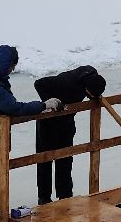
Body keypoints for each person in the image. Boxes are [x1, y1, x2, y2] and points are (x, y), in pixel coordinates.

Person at [0, 45, 63, 222]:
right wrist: (44, 105)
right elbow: (15, 108)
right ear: (6, 65)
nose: (12, 70)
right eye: (12, 67)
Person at [33, 64, 107, 204]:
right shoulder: (66, 83)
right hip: (47, 124)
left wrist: (95, 97)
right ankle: (44, 198)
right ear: (86, 89)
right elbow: (39, 83)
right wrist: (51, 102)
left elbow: (93, 92)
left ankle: (65, 196)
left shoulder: (91, 76)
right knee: (45, 161)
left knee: (65, 160)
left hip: (66, 123)